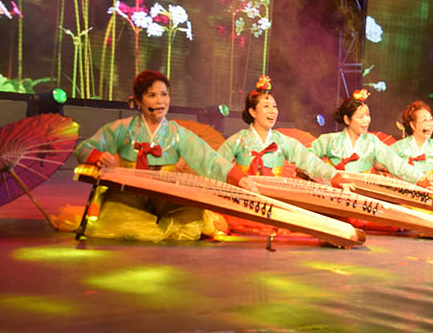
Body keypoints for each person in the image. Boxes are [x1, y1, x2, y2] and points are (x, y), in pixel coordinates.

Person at [73, 70, 257, 241]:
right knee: (120, 222)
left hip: (167, 194)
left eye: (164, 94)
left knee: (190, 223)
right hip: (128, 194)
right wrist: (99, 156)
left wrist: (239, 178)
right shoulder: (123, 128)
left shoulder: (177, 133)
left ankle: (159, 223)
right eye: (152, 95)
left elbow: (209, 159)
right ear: (138, 101)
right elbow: (84, 148)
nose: (160, 101)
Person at [217, 76, 349, 189]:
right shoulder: (239, 140)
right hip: (244, 198)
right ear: (253, 112)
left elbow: (309, 161)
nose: (272, 111)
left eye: (274, 107)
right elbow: (215, 164)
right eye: (266, 106)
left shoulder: (281, 141)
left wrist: (334, 177)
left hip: (273, 197)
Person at [310, 89, 430, 186]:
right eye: (361, 117)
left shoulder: (372, 142)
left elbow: (395, 162)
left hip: (360, 193)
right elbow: (307, 157)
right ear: (347, 119)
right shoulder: (329, 140)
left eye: (368, 115)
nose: (366, 121)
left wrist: (418, 177)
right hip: (332, 192)